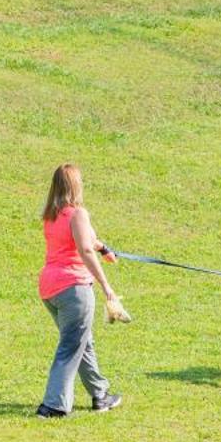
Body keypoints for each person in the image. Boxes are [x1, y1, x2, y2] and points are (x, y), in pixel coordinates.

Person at [36, 163, 129, 417]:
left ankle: (100, 395)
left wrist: (104, 248)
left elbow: (88, 240)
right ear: (76, 185)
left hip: (49, 288)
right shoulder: (78, 214)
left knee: (82, 341)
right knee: (71, 344)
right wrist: (106, 285)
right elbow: (84, 248)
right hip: (74, 288)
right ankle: (54, 405)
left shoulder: (52, 215)